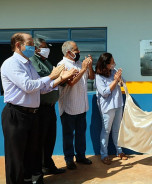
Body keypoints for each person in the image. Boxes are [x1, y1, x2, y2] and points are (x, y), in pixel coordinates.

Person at [1, 33, 75, 184]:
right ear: (18, 45)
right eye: (29, 44)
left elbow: (41, 88)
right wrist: (52, 76)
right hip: (16, 114)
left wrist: (61, 78)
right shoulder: (11, 64)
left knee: (31, 155)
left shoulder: (28, 64)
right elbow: (28, 86)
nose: (33, 48)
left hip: (32, 115)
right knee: (16, 158)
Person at [30, 38, 71, 177]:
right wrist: (58, 75)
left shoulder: (46, 61)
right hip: (40, 108)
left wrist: (64, 77)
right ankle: (39, 169)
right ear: (36, 49)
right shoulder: (33, 61)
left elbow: (55, 80)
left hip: (50, 107)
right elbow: (43, 80)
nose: (47, 49)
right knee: (40, 140)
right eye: (44, 47)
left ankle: (48, 164)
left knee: (50, 138)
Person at [58, 41, 95, 170]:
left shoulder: (80, 63)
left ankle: (81, 156)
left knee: (81, 134)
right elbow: (71, 83)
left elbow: (91, 77)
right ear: (69, 52)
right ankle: (69, 159)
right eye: (76, 50)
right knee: (68, 135)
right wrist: (83, 68)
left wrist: (89, 66)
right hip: (68, 107)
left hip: (82, 106)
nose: (78, 52)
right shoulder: (62, 65)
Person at [94, 53, 128, 165]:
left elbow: (123, 83)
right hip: (107, 107)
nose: (114, 63)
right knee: (106, 130)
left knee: (117, 129)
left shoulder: (113, 72)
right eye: (112, 61)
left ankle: (120, 151)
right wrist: (115, 81)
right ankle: (104, 155)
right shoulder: (98, 76)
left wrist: (120, 78)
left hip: (118, 104)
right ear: (106, 64)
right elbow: (104, 93)